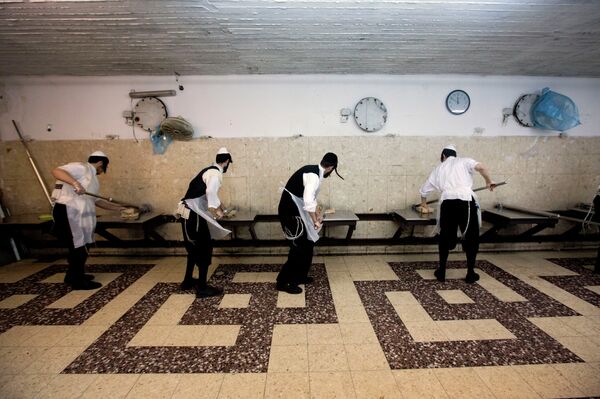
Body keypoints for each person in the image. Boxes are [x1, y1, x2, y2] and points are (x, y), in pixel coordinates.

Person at [418, 145, 496, 284]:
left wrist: (424, 204)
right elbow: (482, 167)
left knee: (445, 237)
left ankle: (441, 271)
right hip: (466, 202)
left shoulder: (439, 169)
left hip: (448, 203)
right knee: (471, 236)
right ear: (455, 155)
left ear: (443, 156)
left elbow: (424, 191)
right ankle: (470, 273)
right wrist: (489, 181)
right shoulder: (465, 161)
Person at [51, 151, 126, 290]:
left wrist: (121, 208)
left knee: (82, 246)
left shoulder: (92, 179)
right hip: (69, 211)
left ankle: (72, 275)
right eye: (103, 169)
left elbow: (97, 201)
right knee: (78, 247)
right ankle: (78, 282)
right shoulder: (82, 167)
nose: (102, 172)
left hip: (78, 216)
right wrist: (75, 183)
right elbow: (56, 171)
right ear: (101, 163)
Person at [276, 152, 343, 294]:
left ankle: (300, 276)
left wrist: (317, 214)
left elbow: (310, 199)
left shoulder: (314, 171)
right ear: (331, 168)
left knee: (307, 244)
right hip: (289, 213)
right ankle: (282, 282)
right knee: (298, 248)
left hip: (296, 210)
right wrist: (315, 221)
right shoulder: (314, 176)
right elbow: (307, 201)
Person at [178, 147, 232, 298]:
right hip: (193, 215)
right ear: (227, 161)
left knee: (193, 248)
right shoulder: (215, 173)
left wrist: (222, 206)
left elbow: (208, 193)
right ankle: (202, 288)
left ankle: (188, 280)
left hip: (187, 213)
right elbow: (210, 193)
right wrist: (217, 211)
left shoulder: (208, 170)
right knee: (204, 248)